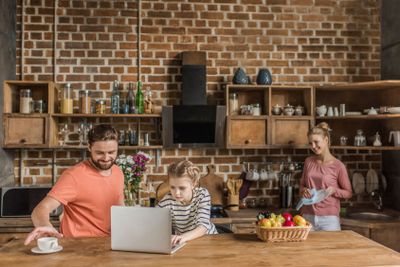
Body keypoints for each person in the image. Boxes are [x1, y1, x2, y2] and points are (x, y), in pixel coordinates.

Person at [24, 124, 124, 245]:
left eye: (111, 152)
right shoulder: (74, 176)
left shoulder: (118, 172)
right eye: (100, 153)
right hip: (78, 245)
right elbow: (40, 209)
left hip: (110, 243)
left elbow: (119, 206)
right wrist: (45, 226)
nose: (106, 158)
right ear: (89, 147)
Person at [300, 122, 352, 231]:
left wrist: (333, 190)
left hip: (329, 220)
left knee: (330, 248)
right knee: (307, 248)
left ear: (326, 140)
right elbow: (302, 185)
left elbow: (348, 193)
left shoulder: (338, 166)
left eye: (316, 142)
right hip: (307, 217)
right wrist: (304, 190)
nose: (313, 146)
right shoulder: (308, 162)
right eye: (310, 143)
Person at [157, 160, 217, 246]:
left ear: (193, 184)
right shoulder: (167, 200)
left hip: (208, 240)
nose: (176, 193)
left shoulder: (202, 195)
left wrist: (182, 237)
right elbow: (153, 221)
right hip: (184, 242)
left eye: (182, 188)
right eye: (172, 187)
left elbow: (203, 227)